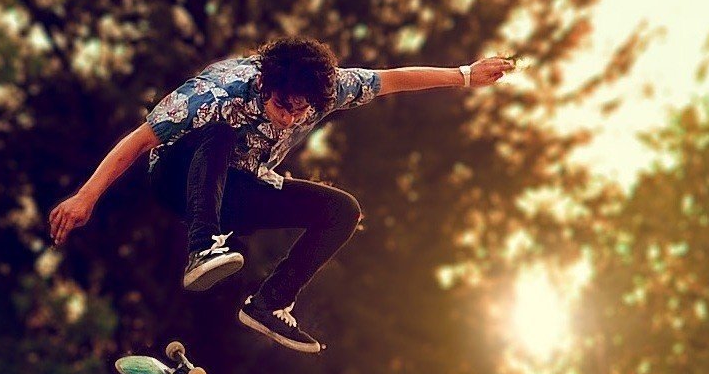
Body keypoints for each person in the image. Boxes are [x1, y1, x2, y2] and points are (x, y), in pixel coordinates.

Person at [48, 36, 514, 353]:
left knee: (341, 210)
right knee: (220, 131)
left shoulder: (327, 89)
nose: (290, 119)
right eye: (281, 107)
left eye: (301, 111)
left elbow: (391, 80)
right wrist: (85, 198)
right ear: (266, 86)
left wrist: (466, 75)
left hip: (238, 189)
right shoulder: (216, 92)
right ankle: (200, 247)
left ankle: (270, 302)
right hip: (177, 178)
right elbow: (139, 140)